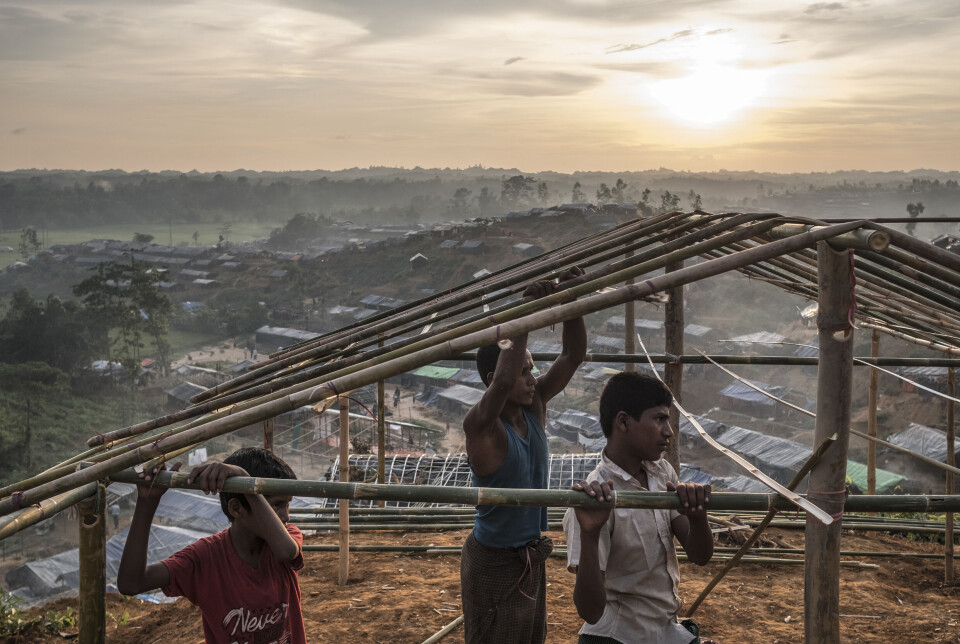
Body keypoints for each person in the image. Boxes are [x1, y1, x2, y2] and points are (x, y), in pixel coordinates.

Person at [460, 268, 587, 644]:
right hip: (495, 561)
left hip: (530, 554)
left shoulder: (534, 409)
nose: (532, 378)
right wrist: (527, 312)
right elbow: (502, 382)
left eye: (533, 369)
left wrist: (571, 301)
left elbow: (573, 354)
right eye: (524, 371)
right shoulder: (481, 427)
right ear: (492, 377)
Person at [563, 372, 715, 644]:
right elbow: (590, 611)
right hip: (618, 636)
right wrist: (589, 534)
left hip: (664, 629)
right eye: (659, 419)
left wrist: (698, 517)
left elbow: (699, 555)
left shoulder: (662, 472)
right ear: (623, 421)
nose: (668, 431)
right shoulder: (593, 499)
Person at [117, 447, 306, 644]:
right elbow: (131, 583)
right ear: (236, 508)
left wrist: (243, 477)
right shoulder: (205, 558)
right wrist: (147, 501)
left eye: (287, 504)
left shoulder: (288, 535)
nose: (286, 515)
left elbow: (286, 552)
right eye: (277, 505)